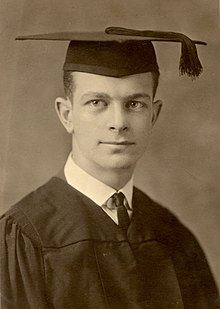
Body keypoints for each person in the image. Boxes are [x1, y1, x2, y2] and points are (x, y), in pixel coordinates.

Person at [0, 27, 219, 308]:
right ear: (67, 115)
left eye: (134, 104)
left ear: (154, 114)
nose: (118, 122)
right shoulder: (22, 238)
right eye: (97, 102)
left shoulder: (173, 235)